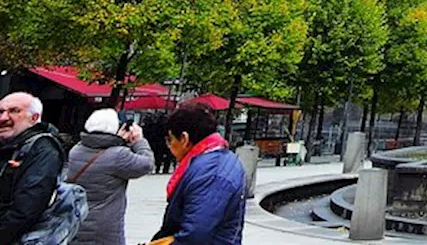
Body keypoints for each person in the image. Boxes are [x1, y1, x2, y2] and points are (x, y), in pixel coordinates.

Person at [151, 102, 246, 244]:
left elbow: (195, 234)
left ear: (184, 139)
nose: (170, 147)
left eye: (170, 140)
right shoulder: (216, 159)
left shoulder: (212, 173)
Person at [65, 108, 154, 245]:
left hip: (76, 221)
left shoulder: (76, 150)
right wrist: (139, 141)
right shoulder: (119, 155)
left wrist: (118, 141)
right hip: (104, 228)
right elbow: (146, 164)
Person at [0, 92, 68, 243]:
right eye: (1, 112)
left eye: (14, 111)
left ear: (34, 118)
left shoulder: (42, 149)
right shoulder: (9, 146)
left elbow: (27, 208)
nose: (3, 118)